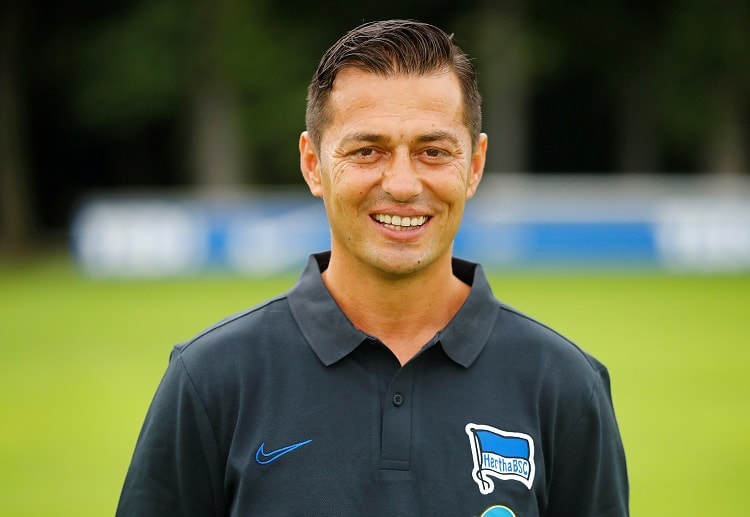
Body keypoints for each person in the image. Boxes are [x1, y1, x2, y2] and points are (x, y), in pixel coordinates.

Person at [116, 19, 628, 516]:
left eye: (433, 151)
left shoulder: (564, 385)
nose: (402, 184)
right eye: (367, 151)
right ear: (313, 164)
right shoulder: (210, 379)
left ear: (474, 165)